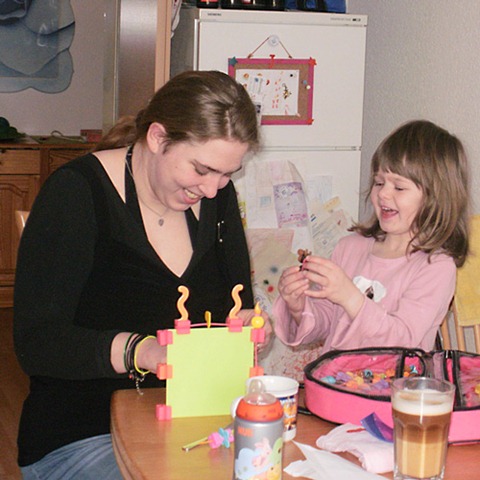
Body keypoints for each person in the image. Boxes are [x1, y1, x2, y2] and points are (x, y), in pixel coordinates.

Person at [14, 70, 270, 479]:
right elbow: (37, 343)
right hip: (84, 434)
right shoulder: (76, 193)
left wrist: (249, 331)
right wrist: (140, 351)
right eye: (202, 169)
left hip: (196, 426)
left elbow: (236, 310)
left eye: (227, 174)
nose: (212, 189)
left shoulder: (218, 201)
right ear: (157, 137)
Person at [273, 120, 470, 355]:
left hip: (396, 380)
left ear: (435, 197)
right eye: (379, 182)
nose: (383, 193)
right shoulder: (349, 248)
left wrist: (349, 296)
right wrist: (298, 307)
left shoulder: (436, 267)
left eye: (399, 187)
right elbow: (328, 322)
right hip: (333, 376)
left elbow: (403, 342)